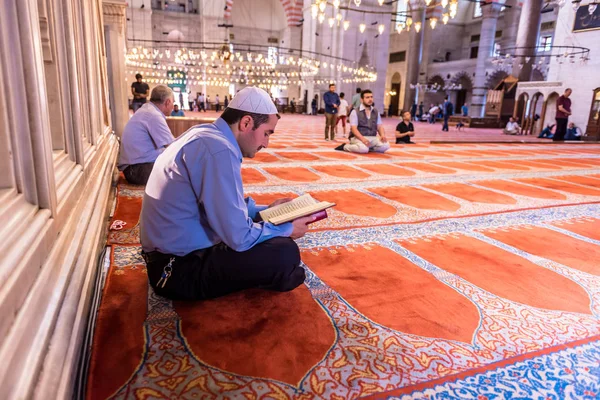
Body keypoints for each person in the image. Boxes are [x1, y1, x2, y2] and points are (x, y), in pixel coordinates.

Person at [140, 86, 314, 301]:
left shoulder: (205, 135)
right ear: (246, 123)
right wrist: (287, 228)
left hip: (168, 259)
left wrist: (267, 211)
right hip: (176, 270)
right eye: (266, 133)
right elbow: (239, 237)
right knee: (284, 252)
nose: (266, 144)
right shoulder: (218, 150)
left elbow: (225, 205)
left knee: (272, 236)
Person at [118, 85, 175, 185]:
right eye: (173, 102)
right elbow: (172, 147)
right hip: (137, 170)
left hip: (135, 168)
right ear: (168, 102)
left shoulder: (148, 110)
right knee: (182, 172)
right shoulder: (153, 115)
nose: (173, 106)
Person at [336, 89, 389, 154]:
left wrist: (382, 135)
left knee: (386, 145)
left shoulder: (375, 111)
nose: (370, 99)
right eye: (367, 97)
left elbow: (379, 126)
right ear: (361, 100)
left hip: (372, 137)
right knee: (363, 149)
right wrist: (363, 139)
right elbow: (353, 129)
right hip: (357, 137)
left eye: (371, 97)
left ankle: (368, 148)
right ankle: (345, 146)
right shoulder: (355, 112)